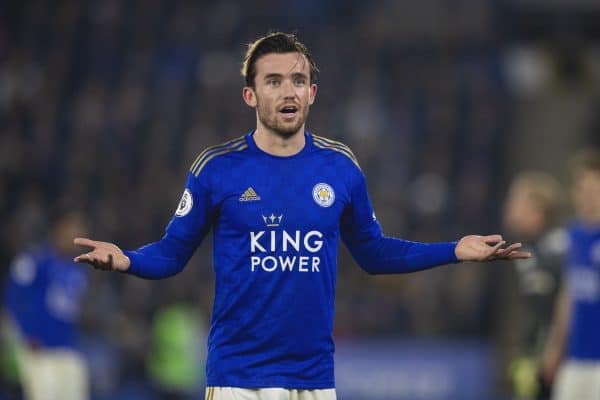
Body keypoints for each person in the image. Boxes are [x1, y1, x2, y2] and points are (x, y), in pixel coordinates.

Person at [73, 32, 530, 400]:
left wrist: (454, 250)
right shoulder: (216, 168)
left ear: (311, 92)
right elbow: (172, 254)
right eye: (273, 81)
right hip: (239, 378)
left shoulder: (341, 167)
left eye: (296, 80)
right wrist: (126, 260)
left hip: (313, 379)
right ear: (250, 95)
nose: (287, 90)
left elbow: (373, 253)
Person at [3, 209, 90, 400]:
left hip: (68, 348)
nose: (80, 233)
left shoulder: (78, 268)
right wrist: (27, 336)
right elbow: (12, 301)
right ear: (59, 229)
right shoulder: (34, 260)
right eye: (74, 228)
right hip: (39, 351)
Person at [541, 149, 600, 400]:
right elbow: (569, 294)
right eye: (579, 187)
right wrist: (555, 347)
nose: (584, 195)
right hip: (575, 358)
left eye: (591, 188)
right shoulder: (573, 235)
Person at [502, 172, 567, 400]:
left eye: (515, 201)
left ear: (535, 209)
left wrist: (553, 351)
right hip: (538, 358)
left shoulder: (557, 251)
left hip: (559, 361)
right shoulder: (530, 250)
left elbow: (564, 305)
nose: (509, 207)